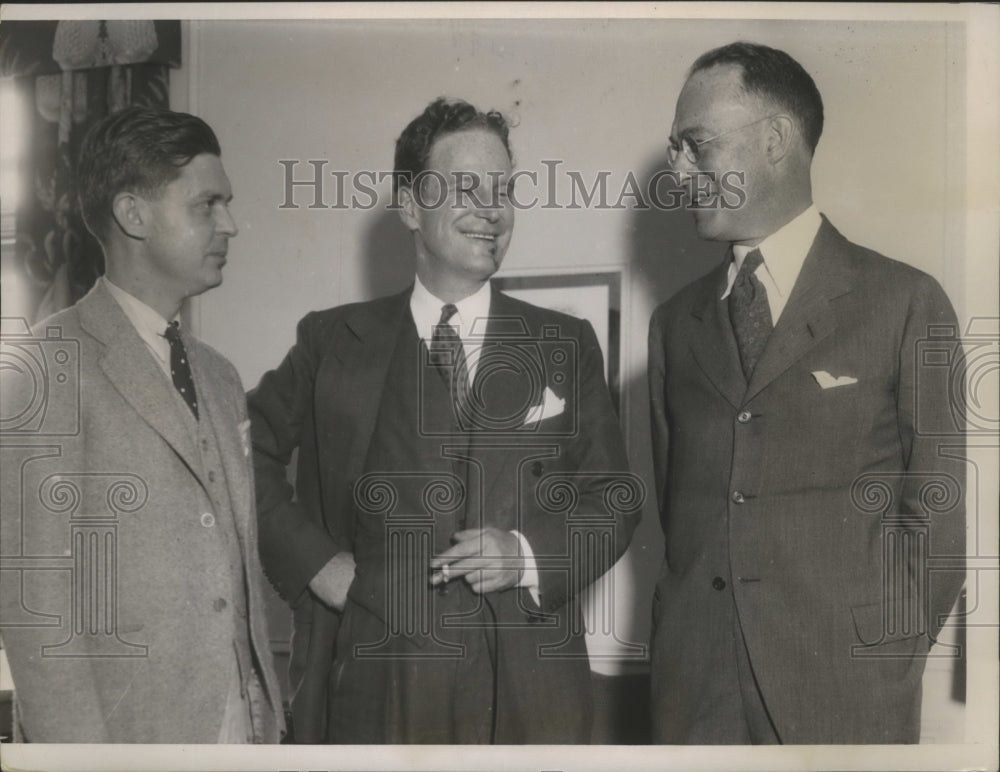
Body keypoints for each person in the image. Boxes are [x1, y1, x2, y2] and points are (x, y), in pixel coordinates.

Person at [248, 97, 640, 744]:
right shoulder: (331, 342)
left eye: (505, 189)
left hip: (530, 702)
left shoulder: (565, 345)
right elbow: (237, 452)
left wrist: (526, 554)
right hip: (378, 692)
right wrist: (315, 562)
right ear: (409, 206)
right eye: (467, 187)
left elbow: (616, 499)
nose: (493, 209)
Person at [647, 42, 966, 744]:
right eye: (674, 150)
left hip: (844, 702)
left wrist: (883, 667)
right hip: (693, 702)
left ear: (774, 140)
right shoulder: (673, 325)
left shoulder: (904, 301)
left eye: (694, 144)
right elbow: (682, 518)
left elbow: (937, 525)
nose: (677, 171)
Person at [0, 107, 284, 743]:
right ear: (134, 215)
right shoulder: (47, 368)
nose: (230, 225)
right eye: (207, 205)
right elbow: (39, 616)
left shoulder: (219, 376)